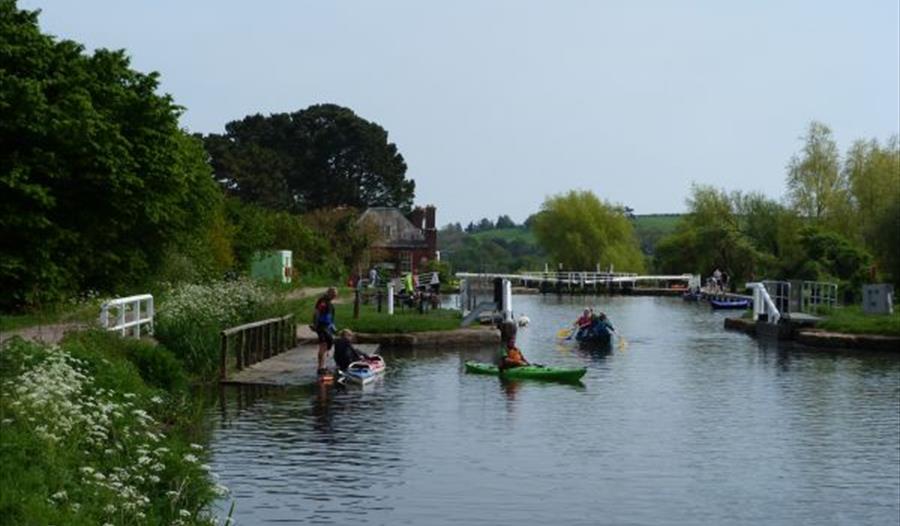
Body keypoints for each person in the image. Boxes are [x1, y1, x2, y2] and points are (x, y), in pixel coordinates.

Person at [312, 287, 337, 377]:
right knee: (323, 345)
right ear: (329, 293)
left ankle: (323, 365)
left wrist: (332, 326)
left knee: (329, 343)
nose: (335, 296)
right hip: (321, 326)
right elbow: (317, 312)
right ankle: (321, 367)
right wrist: (315, 324)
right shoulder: (323, 301)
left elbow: (330, 316)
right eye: (334, 295)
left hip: (328, 326)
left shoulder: (329, 303)